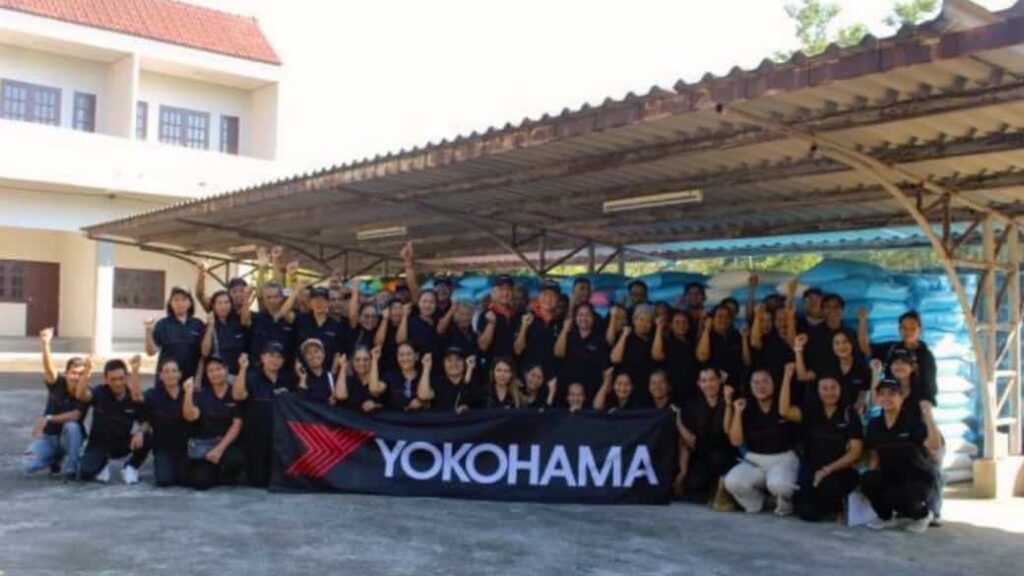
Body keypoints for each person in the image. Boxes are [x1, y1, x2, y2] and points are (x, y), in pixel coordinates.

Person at [778, 363, 864, 522]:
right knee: (806, 511)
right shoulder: (810, 410)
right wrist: (787, 376)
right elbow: (784, 411)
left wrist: (827, 470)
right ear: (817, 391)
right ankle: (829, 506)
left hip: (839, 469)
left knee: (829, 487)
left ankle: (839, 505)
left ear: (840, 389)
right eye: (824, 388)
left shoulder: (849, 413)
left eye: (833, 388)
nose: (829, 392)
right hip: (812, 466)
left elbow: (855, 453)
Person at [860, 378, 941, 533]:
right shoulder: (874, 424)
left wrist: (929, 415)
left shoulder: (912, 421)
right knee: (868, 479)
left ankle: (923, 515)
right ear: (877, 398)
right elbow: (874, 453)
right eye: (882, 394)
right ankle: (886, 517)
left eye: (892, 394)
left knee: (905, 493)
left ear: (901, 398)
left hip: (917, 477)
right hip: (891, 474)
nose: (886, 398)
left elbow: (934, 445)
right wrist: (871, 479)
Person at [723, 369, 799, 515]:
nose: (761, 386)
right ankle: (758, 502)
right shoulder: (746, 407)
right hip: (755, 460)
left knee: (779, 485)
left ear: (774, 384)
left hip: (782, 459)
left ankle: (785, 505)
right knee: (732, 481)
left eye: (765, 382)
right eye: (756, 383)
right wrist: (737, 412)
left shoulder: (783, 405)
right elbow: (736, 441)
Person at [22, 328, 87, 478]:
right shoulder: (58, 384)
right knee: (28, 465)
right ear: (66, 373)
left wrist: (48, 418)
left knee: (72, 427)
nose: (77, 377)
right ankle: (54, 459)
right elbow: (49, 368)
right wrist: (45, 344)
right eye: (73, 373)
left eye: (81, 374)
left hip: (70, 440)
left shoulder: (85, 392)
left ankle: (71, 468)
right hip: (49, 437)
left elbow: (76, 415)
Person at [74, 358, 148, 484]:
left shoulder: (132, 396)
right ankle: (101, 464)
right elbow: (81, 395)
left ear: (126, 378)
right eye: (113, 379)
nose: (118, 383)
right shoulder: (100, 392)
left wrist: (140, 431)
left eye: (121, 378)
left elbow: (145, 420)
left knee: (148, 436)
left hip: (123, 443)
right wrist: (87, 371)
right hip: (99, 444)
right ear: (106, 379)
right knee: (85, 473)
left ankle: (131, 467)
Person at [675, 366, 737, 507]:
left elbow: (728, 431)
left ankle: (721, 492)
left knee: (717, 458)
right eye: (704, 381)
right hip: (702, 456)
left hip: (727, 455)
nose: (708, 384)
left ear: (720, 381)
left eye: (712, 380)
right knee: (692, 483)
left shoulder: (729, 400)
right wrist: (683, 471)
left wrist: (728, 403)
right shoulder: (692, 406)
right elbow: (686, 442)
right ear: (699, 383)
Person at [232, 345, 294, 487]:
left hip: (281, 438)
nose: (275, 360)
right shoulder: (252, 377)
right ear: (263, 358)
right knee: (258, 481)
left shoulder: (288, 379)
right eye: (271, 355)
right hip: (257, 438)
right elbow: (238, 395)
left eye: (279, 357)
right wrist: (242, 369)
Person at [183, 356, 245, 490]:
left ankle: (225, 473)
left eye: (218, 369)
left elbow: (237, 424)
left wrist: (219, 450)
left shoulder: (234, 393)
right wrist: (188, 393)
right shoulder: (202, 394)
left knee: (234, 460)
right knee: (200, 482)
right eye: (211, 371)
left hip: (227, 443)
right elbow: (190, 416)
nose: (215, 373)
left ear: (226, 370)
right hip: (205, 444)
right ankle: (215, 472)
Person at [134, 358, 191, 487]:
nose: (170, 375)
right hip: (162, 446)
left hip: (184, 447)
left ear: (180, 374)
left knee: (185, 480)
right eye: (166, 371)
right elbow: (137, 397)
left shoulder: (187, 393)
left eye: (174, 371)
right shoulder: (154, 394)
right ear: (160, 376)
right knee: (164, 480)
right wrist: (135, 370)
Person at [862, 310, 937, 407]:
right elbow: (865, 348)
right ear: (899, 329)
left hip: (915, 407)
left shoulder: (926, 356)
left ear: (920, 329)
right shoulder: (892, 349)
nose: (908, 331)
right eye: (904, 328)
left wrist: (926, 409)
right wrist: (863, 320)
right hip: (890, 405)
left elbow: (929, 389)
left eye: (912, 328)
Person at [795, 331, 871, 411]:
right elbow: (802, 376)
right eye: (837, 343)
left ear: (852, 343)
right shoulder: (826, 364)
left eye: (845, 341)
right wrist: (798, 348)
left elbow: (862, 400)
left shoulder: (863, 368)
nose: (841, 346)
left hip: (850, 413)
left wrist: (852, 415)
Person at [145, 286, 205, 382]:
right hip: (167, 378)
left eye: (184, 299)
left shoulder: (198, 324)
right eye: (176, 300)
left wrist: (199, 377)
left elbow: (204, 354)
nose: (180, 303)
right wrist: (148, 332)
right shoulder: (162, 324)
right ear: (170, 303)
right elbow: (151, 352)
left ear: (190, 303)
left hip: (191, 378)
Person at [555, 302, 609, 402]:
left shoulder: (599, 341)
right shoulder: (569, 336)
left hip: (591, 391)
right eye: (580, 315)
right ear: (575, 318)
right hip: (568, 391)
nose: (584, 318)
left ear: (593, 318)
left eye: (587, 315)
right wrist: (565, 330)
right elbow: (558, 353)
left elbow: (604, 368)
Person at [609, 304, 657, 406]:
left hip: (646, 388)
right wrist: (624, 335)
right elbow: (615, 359)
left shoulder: (653, 340)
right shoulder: (626, 336)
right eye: (641, 319)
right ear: (634, 321)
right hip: (627, 388)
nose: (644, 324)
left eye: (648, 321)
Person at [514, 281, 562, 378]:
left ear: (558, 299)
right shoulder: (526, 318)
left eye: (552, 295)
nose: (548, 299)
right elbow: (518, 350)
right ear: (539, 296)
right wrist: (524, 327)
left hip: (551, 377)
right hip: (528, 376)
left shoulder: (561, 323)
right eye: (545, 294)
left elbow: (560, 354)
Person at [295, 285, 350, 368]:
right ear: (310, 303)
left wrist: (332, 373)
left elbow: (337, 353)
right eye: (315, 301)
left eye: (322, 301)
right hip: (303, 371)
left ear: (328, 303)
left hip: (326, 371)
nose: (319, 304)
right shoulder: (301, 321)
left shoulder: (336, 325)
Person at [249, 281, 301, 367]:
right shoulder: (257, 318)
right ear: (264, 299)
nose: (272, 300)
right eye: (268, 297)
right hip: (260, 370)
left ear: (282, 298)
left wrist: (296, 290)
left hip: (286, 369)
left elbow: (284, 313)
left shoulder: (291, 316)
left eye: (276, 297)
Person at [697, 305, 748, 392]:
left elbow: (746, 361)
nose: (724, 320)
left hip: (736, 384)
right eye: (720, 317)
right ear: (712, 319)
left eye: (727, 317)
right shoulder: (708, 336)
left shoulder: (735, 334)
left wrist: (744, 339)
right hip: (714, 387)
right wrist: (707, 329)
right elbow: (702, 357)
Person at [200, 289, 250, 377]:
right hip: (218, 375)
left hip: (240, 374)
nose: (223, 306)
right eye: (219, 303)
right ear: (213, 306)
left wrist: (246, 298)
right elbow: (205, 352)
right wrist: (210, 326)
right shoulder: (209, 325)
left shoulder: (238, 321)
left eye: (226, 302)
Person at [654, 309, 698, 405]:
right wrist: (659, 328)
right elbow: (657, 356)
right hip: (672, 391)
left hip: (692, 390)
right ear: (671, 325)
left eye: (684, 323)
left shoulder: (693, 344)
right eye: (677, 323)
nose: (681, 326)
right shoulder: (666, 342)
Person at [417, 348, 478, 413]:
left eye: (458, 360)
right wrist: (426, 367)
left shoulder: (472, 382)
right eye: (449, 360)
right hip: (441, 419)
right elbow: (423, 396)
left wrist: (469, 369)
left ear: (464, 362)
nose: (454, 364)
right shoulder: (437, 382)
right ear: (443, 363)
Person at [476, 275, 519, 367]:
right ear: (494, 292)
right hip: (492, 367)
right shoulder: (486, 314)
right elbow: (483, 346)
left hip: (513, 366)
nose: (505, 293)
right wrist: (491, 323)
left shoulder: (517, 315)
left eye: (508, 289)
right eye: (501, 289)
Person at [373, 341, 425, 412]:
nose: (405, 358)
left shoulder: (424, 377)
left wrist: (426, 368)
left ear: (416, 356)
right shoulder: (390, 377)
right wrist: (375, 359)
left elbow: (426, 397)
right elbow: (375, 390)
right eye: (401, 355)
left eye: (408, 354)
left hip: (420, 418)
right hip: (395, 418)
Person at [294, 339, 344, 404]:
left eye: (316, 351)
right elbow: (299, 402)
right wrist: (302, 379)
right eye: (309, 353)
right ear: (305, 358)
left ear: (323, 354)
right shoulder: (300, 377)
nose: (313, 355)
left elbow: (341, 399)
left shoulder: (331, 378)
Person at [397, 290, 440, 358]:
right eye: (424, 301)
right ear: (418, 303)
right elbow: (400, 341)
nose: (427, 305)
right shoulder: (411, 321)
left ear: (436, 305)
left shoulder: (439, 321)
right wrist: (405, 315)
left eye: (431, 302)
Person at [347, 346, 387, 413]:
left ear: (371, 361)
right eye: (357, 360)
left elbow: (375, 389)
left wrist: (375, 358)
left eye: (365, 360)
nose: (361, 363)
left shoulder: (382, 378)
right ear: (352, 362)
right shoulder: (350, 380)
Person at [346, 280, 379, 353]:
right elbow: (353, 314)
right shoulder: (355, 328)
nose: (370, 320)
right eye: (366, 316)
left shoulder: (378, 329)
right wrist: (355, 291)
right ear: (359, 317)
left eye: (373, 316)